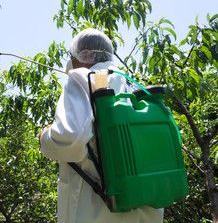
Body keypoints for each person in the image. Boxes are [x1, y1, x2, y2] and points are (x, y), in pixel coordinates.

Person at [39, 28, 164, 223]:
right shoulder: (135, 87)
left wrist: (45, 137)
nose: (70, 63)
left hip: (96, 213)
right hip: (147, 213)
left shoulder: (82, 77)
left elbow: (70, 139)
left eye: (72, 56)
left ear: (85, 55)